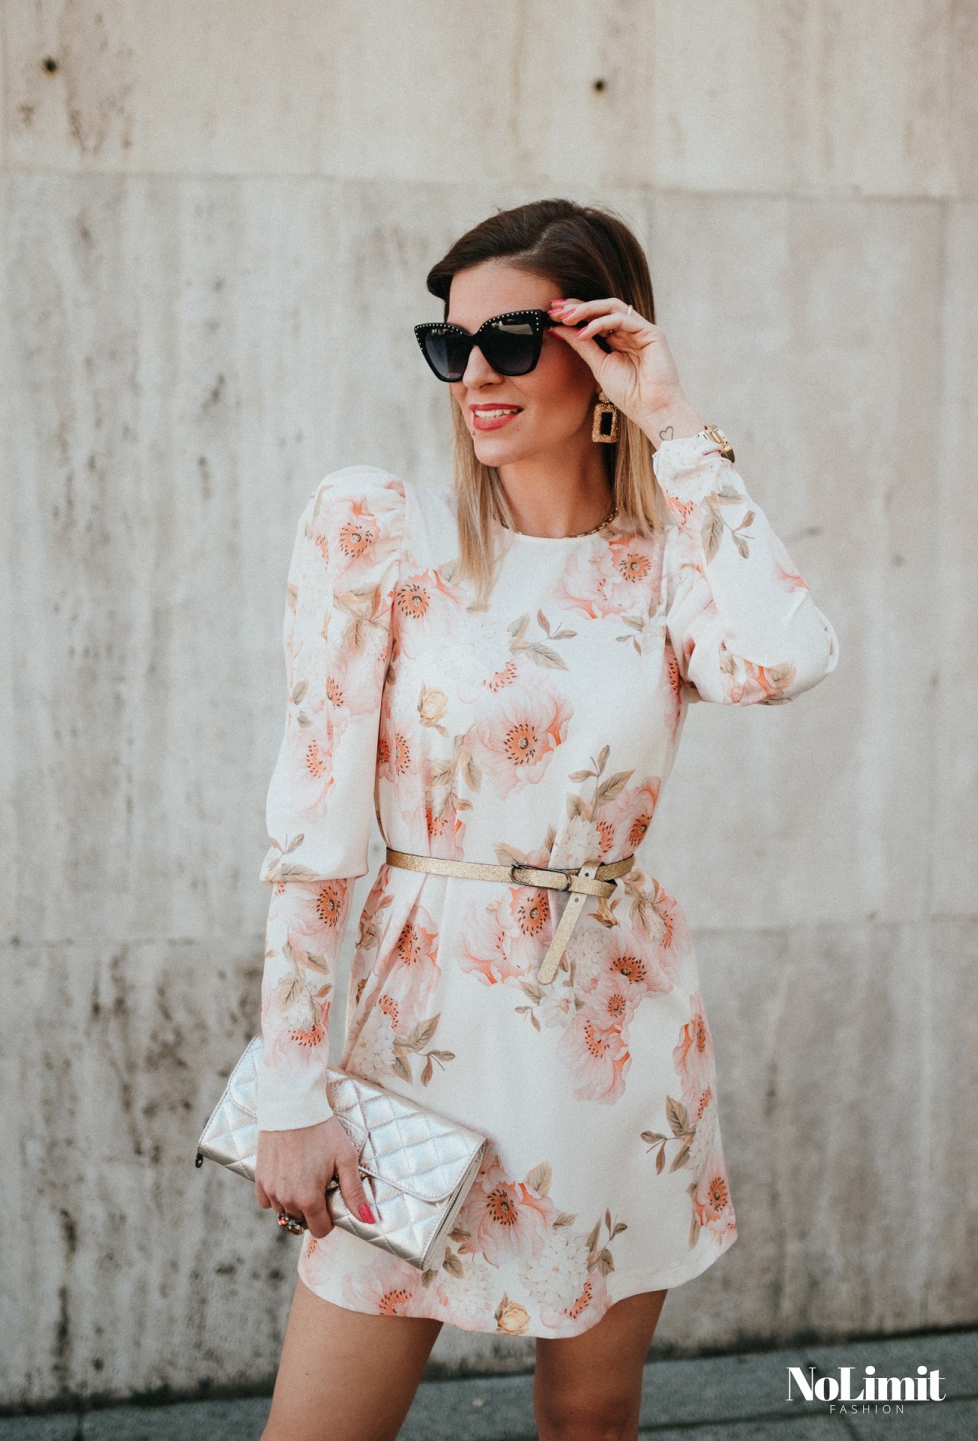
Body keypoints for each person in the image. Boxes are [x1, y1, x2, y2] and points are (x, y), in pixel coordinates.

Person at [254, 199, 839, 1441]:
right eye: (450, 343)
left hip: (612, 1039)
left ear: (601, 349)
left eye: (512, 339)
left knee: (590, 1419)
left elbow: (786, 658)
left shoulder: (664, 564)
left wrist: (675, 424)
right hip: (414, 1043)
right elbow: (312, 831)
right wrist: (290, 1093)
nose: (475, 373)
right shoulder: (377, 527)